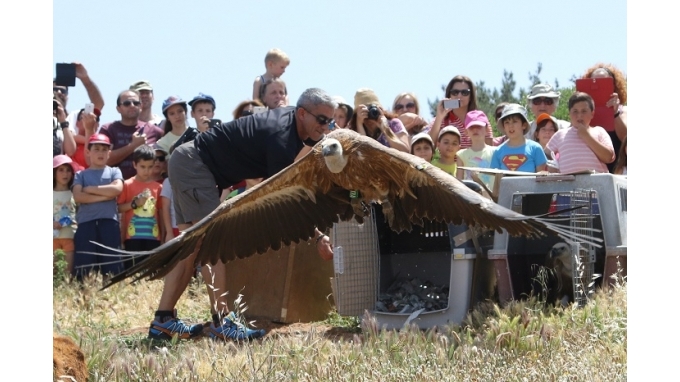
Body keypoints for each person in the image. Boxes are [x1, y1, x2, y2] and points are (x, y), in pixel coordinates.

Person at [146, 88, 336, 342]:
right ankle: (221, 322)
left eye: (330, 121)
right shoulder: (280, 135)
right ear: (302, 113)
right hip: (194, 165)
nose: (326, 127)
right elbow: (281, 197)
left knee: (193, 247)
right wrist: (317, 235)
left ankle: (163, 319)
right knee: (212, 244)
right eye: (322, 120)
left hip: (190, 164)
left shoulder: (294, 126)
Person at [71, 134, 124, 281]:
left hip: (109, 222)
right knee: (85, 264)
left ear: (109, 153)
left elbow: (117, 189)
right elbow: (78, 196)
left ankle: (112, 295)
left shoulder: (114, 171)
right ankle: (84, 296)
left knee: (112, 263)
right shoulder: (80, 174)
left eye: (104, 149)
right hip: (86, 223)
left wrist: (90, 189)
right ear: (88, 152)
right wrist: (105, 196)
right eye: (96, 149)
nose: (100, 153)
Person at [99, 89, 164, 179]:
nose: (132, 106)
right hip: (115, 188)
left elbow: (164, 161)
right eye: (127, 103)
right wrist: (133, 146)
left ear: (141, 106)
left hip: (146, 189)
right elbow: (103, 160)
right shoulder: (108, 129)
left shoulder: (155, 131)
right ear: (118, 109)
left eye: (136, 103)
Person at [117, 145, 163, 270]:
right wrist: (134, 204)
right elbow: (118, 208)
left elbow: (161, 213)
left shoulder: (158, 187)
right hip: (131, 238)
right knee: (132, 270)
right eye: (142, 167)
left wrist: (163, 236)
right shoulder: (127, 184)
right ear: (134, 165)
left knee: (151, 271)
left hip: (153, 237)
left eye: (150, 167)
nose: (146, 171)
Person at [546, 92, 615, 174]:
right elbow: (545, 154)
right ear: (569, 114)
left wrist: (586, 136)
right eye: (575, 111)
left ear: (592, 114)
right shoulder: (560, 134)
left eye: (584, 111)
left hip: (597, 183)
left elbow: (608, 157)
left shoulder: (599, 131)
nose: (579, 115)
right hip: (568, 184)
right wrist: (551, 166)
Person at [582, 64, 627, 172]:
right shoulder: (582, 114)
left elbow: (627, 140)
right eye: (594, 81)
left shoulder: (624, 111)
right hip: (590, 173)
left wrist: (615, 113)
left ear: (614, 86)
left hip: (618, 173)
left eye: (604, 82)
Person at [427, 75, 493, 148]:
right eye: (455, 92)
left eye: (465, 92)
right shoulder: (440, 121)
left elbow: (489, 150)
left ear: (471, 96)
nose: (459, 95)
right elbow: (428, 145)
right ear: (449, 95)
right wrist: (439, 117)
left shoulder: (481, 120)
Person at [349, 88, 410, 153]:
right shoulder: (353, 131)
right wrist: (359, 124)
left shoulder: (394, 123)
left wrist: (385, 129)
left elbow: (405, 151)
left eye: (373, 111)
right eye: (365, 112)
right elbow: (363, 152)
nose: (370, 117)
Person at [491, 104, 547, 172]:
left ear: (524, 125)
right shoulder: (498, 151)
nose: (510, 126)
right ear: (504, 127)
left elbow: (542, 178)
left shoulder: (535, 148)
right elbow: (493, 179)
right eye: (507, 122)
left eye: (515, 121)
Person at [53, 62, 106, 136]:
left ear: (67, 96)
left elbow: (98, 104)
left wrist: (85, 79)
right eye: (54, 89)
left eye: (63, 91)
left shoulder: (75, 117)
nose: (59, 92)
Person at [457, 110, 496, 190]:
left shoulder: (495, 152)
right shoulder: (461, 155)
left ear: (487, 129)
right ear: (466, 131)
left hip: (490, 198)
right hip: (469, 198)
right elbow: (459, 182)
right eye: (471, 127)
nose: (475, 130)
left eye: (479, 126)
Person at [53, 155, 77, 274]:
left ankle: (67, 292)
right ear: (53, 173)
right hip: (53, 239)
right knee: (54, 273)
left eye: (68, 170)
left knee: (68, 274)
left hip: (70, 237)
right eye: (61, 170)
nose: (65, 174)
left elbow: (79, 214)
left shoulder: (75, 193)